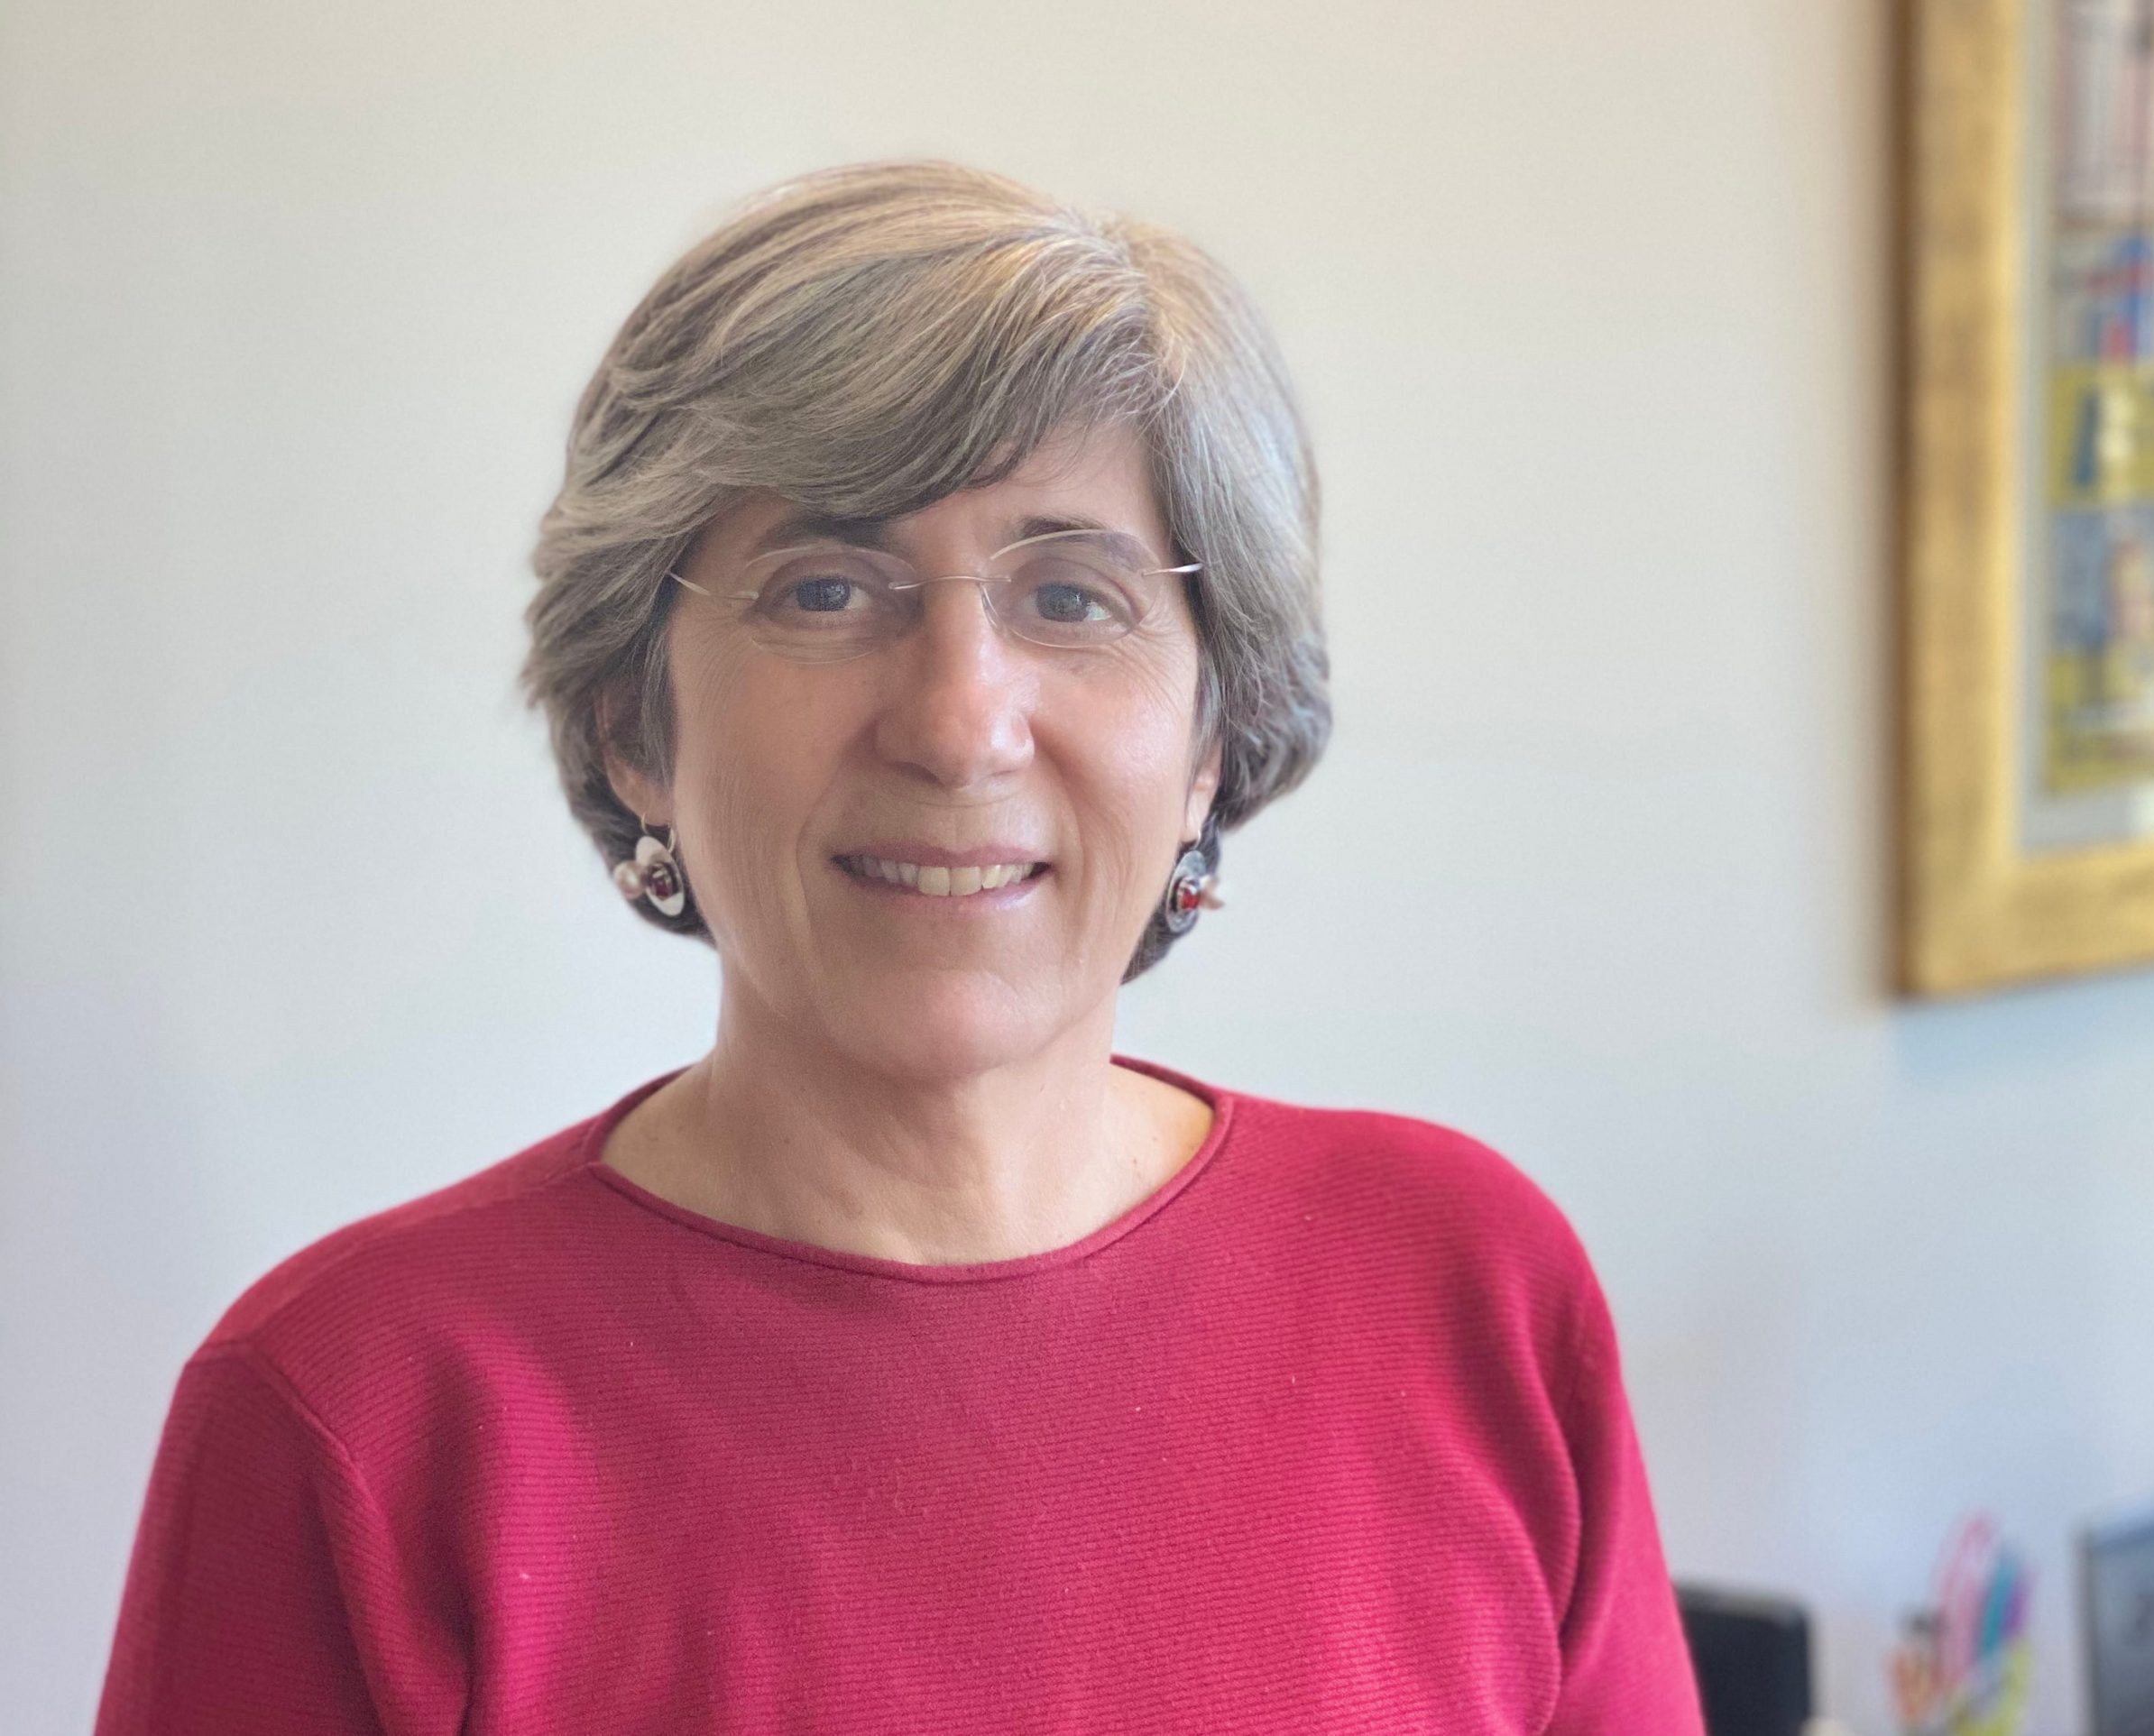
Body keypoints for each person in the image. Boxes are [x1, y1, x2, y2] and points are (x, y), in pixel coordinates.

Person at [95, 161, 1703, 1733]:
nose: (957, 723)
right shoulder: (358, 1413)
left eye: (1072, 597)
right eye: (825, 586)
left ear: (1214, 732)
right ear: (633, 722)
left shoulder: (1467, 1288)